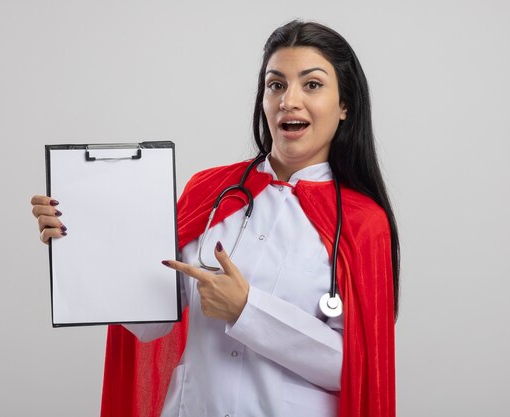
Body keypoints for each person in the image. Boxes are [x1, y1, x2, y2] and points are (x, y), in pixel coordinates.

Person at [31, 20, 399, 417]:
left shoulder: (363, 222)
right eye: (276, 85)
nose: (289, 101)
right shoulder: (208, 192)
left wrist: (248, 310)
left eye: (311, 85)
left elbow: (357, 371)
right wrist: (84, 238)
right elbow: (151, 321)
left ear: (345, 105)